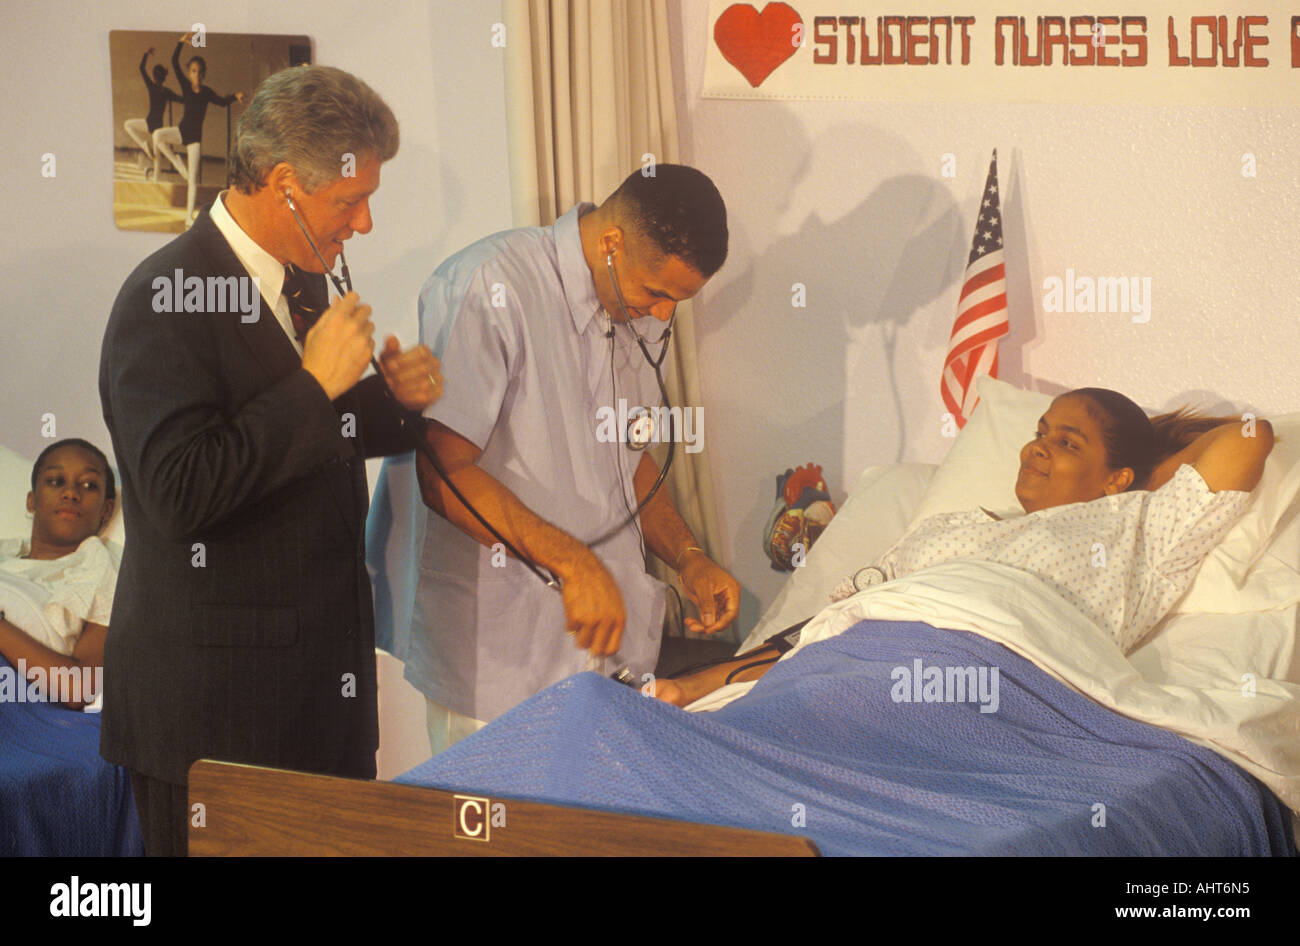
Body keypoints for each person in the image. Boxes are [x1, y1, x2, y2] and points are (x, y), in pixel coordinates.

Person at [99, 64, 440, 856]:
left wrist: (391, 405)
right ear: (284, 183)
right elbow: (180, 492)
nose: (363, 225)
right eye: (349, 202)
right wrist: (316, 384)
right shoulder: (165, 296)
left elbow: (308, 448)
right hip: (215, 718)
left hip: (317, 701)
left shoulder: (301, 284)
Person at [385, 164, 742, 753]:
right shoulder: (489, 285)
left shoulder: (637, 307)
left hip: (605, 663)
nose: (660, 314)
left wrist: (689, 556)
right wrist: (574, 564)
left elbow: (629, 455)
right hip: (499, 668)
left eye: (675, 303)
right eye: (656, 292)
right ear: (610, 243)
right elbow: (442, 472)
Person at [653, 388, 1273, 707]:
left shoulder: (1138, 528)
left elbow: (1250, 437)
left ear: (1117, 477)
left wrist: (1137, 482)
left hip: (994, 679)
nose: (1035, 448)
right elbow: (824, 630)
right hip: (861, 661)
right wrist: (707, 682)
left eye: (1067, 443)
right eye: (1038, 434)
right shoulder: (949, 528)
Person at [0, 440, 117, 710]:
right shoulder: (7, 557)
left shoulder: (104, 576)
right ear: (32, 500)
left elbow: (78, 688)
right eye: (55, 481)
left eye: (88, 485)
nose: (71, 493)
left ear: (107, 510)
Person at [152, 33, 246, 227]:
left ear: (204, 74)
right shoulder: (186, 86)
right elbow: (174, 61)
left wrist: (234, 96)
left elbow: (221, 102)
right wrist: (180, 42)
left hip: (194, 139)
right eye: (194, 71)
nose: (197, 75)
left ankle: (188, 218)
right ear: (190, 73)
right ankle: (177, 162)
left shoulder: (207, 92)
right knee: (157, 136)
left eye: (200, 72)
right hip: (180, 131)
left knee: (192, 181)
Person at [122, 48, 180, 173]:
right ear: (164, 77)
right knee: (157, 159)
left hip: (148, 123)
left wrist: (146, 54)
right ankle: (156, 180)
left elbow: (142, 69)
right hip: (158, 127)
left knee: (127, 125)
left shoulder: (152, 87)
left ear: (154, 77)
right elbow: (182, 100)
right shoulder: (167, 92)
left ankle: (143, 144)